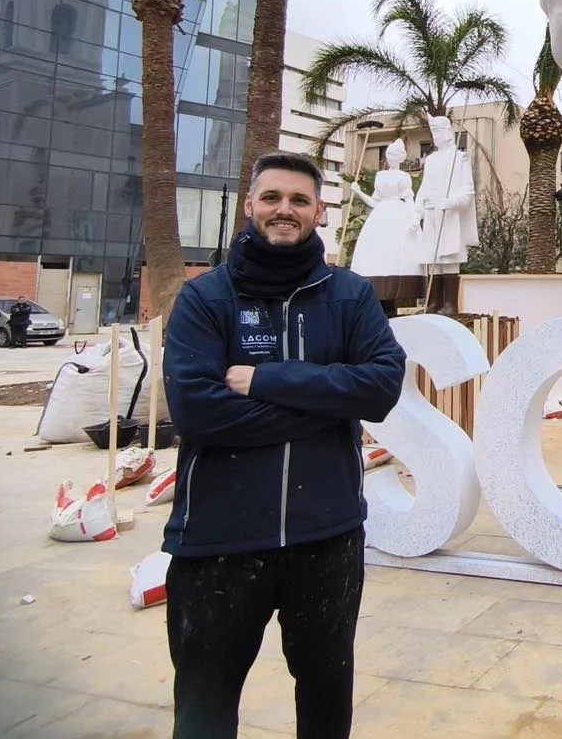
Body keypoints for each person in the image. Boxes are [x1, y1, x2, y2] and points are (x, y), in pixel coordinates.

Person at [162, 151, 406, 739]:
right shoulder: (205, 300)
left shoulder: (350, 296)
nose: (284, 210)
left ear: (319, 212)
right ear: (250, 206)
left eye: (299, 200)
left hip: (326, 538)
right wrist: (326, 406)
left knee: (325, 702)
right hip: (219, 541)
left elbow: (380, 386)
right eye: (272, 198)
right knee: (204, 707)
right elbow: (197, 412)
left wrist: (267, 379)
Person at [416, 116, 478, 316]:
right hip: (432, 214)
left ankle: (450, 304)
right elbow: (424, 188)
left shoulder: (460, 158)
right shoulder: (431, 159)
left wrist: (450, 202)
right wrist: (418, 209)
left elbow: (467, 192)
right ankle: (434, 302)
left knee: (449, 260)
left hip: (450, 216)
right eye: (433, 132)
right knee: (433, 261)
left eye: (438, 131)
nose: (436, 136)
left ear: (448, 132)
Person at [347, 137, 423, 277]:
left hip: (398, 215)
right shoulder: (380, 176)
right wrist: (359, 192)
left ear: (400, 157)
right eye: (389, 154)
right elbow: (374, 202)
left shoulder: (404, 176)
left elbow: (409, 200)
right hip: (380, 215)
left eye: (393, 155)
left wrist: (414, 218)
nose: (390, 158)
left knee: (397, 249)